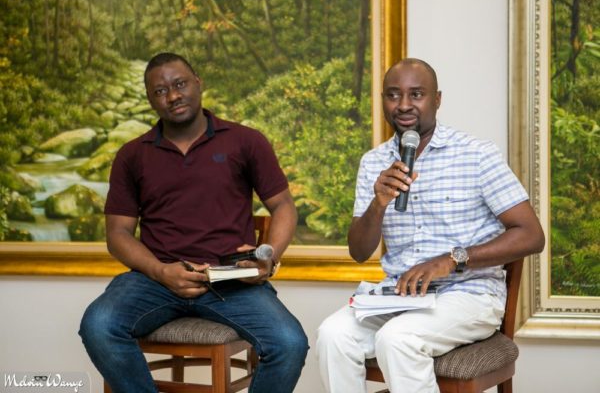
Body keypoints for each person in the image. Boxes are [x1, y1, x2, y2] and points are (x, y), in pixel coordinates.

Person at [79, 52, 308, 393]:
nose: (172, 96)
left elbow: (284, 206)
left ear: (198, 84)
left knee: (289, 342)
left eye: (180, 84)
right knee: (98, 324)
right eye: (160, 91)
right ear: (149, 99)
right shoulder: (132, 155)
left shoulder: (245, 141)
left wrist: (268, 256)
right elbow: (118, 234)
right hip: (154, 280)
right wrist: (160, 272)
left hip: (231, 281)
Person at [316, 58, 545, 393]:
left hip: (469, 294)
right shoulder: (373, 162)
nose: (404, 105)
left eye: (416, 94)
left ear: (437, 99)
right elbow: (359, 251)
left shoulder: (476, 154)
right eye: (393, 95)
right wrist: (378, 204)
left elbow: (531, 235)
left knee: (397, 339)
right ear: (383, 100)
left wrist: (451, 259)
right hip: (398, 296)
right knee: (332, 335)